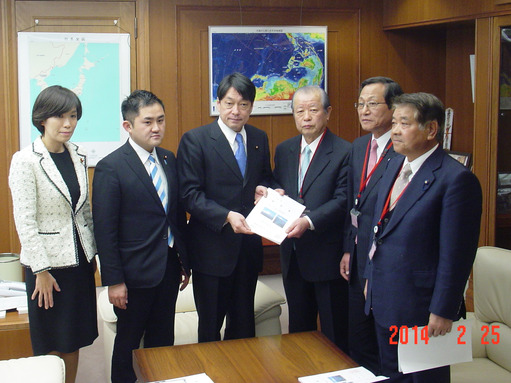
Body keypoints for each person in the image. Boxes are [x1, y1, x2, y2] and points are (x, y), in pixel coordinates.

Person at [364, 93, 482, 382]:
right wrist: (370, 276)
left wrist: (443, 310)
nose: (394, 130)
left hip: (423, 309)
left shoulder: (455, 179)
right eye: (394, 122)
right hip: (385, 298)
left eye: (404, 123)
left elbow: (456, 255)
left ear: (431, 130)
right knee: (390, 374)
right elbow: (380, 230)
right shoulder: (394, 164)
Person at [92, 90, 190, 383]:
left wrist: (184, 261)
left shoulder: (169, 159)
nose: (156, 128)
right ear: (128, 126)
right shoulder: (111, 167)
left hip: (169, 268)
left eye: (160, 120)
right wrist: (114, 281)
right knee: (129, 346)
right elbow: (104, 230)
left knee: (163, 342)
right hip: (132, 276)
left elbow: (174, 217)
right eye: (148, 122)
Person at [8, 85, 98, 383]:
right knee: (50, 343)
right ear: (42, 119)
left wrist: (94, 254)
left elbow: (84, 212)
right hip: (47, 268)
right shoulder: (26, 160)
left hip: (79, 263)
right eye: (60, 116)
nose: (68, 123)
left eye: (73, 116)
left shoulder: (79, 155)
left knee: (73, 341)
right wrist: (41, 271)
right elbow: (25, 221)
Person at [177, 72, 273, 342]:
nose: (236, 111)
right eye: (229, 103)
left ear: (251, 107)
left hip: (248, 249)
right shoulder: (195, 140)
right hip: (211, 250)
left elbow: (265, 176)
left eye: (243, 105)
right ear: (217, 103)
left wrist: (266, 188)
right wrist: (226, 216)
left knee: (243, 327)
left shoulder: (258, 137)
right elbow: (189, 195)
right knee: (210, 328)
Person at [271, 85, 351, 352]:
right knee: (298, 335)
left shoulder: (344, 151)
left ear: (327, 113)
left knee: (334, 333)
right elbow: (278, 187)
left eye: (313, 110)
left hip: (327, 256)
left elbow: (343, 200)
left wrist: (309, 221)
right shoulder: (284, 150)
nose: (306, 117)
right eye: (300, 111)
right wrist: (268, 193)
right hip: (292, 255)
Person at [340, 77, 403, 373]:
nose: (364, 110)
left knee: (386, 351)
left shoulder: (403, 150)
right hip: (357, 260)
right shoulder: (360, 145)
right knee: (358, 344)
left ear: (394, 107)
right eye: (360, 104)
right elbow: (354, 203)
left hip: (385, 267)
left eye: (373, 104)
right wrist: (348, 249)